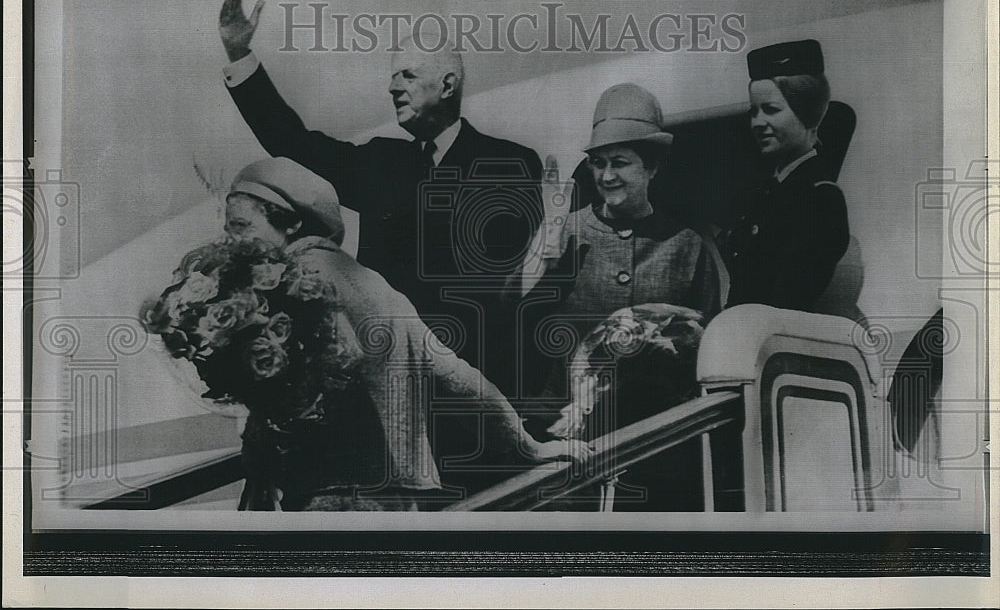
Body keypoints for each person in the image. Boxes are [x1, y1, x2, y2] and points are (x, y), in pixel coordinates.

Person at [144, 157, 587, 511]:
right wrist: (526, 446)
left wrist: (260, 470)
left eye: (240, 225)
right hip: (399, 496)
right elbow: (454, 373)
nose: (230, 239)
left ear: (291, 222)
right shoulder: (370, 281)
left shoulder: (291, 286)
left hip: (331, 498)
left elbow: (285, 401)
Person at [217, 0, 543, 400]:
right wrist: (239, 56)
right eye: (392, 76)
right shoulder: (380, 162)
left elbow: (491, 273)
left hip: (474, 380)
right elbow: (294, 143)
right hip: (384, 376)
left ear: (447, 85)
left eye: (407, 75)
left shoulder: (509, 163)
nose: (393, 87)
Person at [517, 84, 722, 510]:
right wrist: (539, 256)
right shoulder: (565, 232)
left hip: (656, 447)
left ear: (652, 168)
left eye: (620, 163)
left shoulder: (685, 246)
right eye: (597, 163)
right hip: (566, 446)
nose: (605, 176)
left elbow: (704, 349)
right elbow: (511, 322)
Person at [724, 39, 850, 311]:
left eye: (771, 110)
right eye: (753, 112)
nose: (758, 123)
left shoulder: (820, 198)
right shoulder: (768, 193)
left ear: (807, 113)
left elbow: (789, 297)